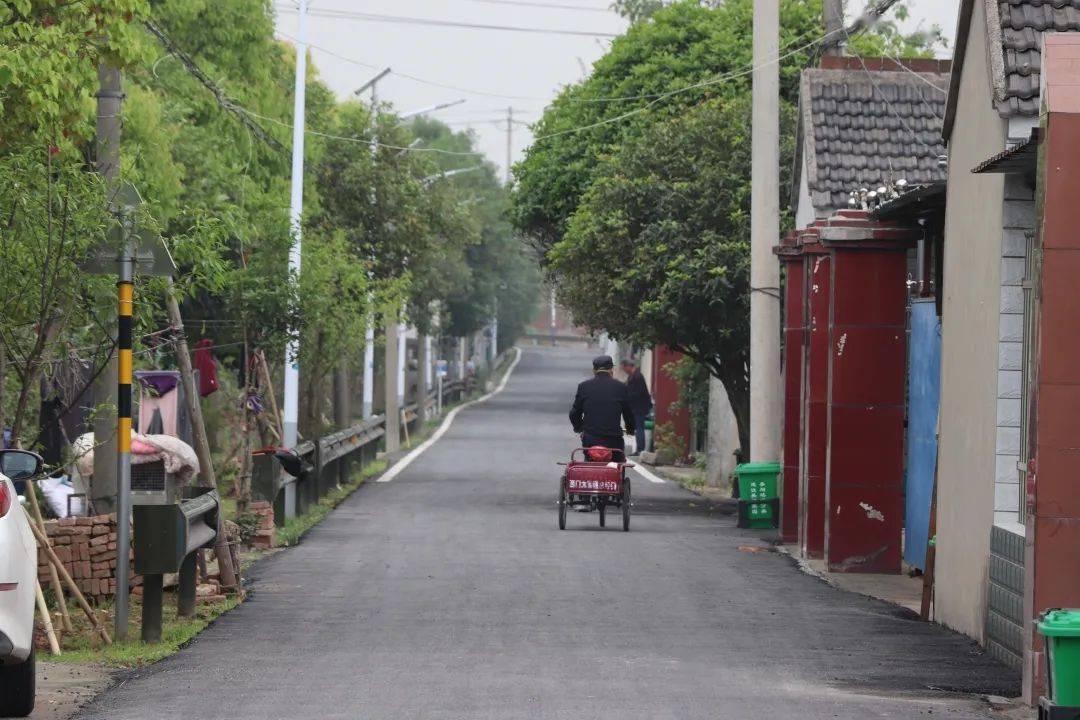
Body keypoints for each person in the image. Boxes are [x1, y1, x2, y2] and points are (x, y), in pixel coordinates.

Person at [569, 355, 635, 458]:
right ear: (611, 369)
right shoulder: (620, 387)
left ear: (594, 370)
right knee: (617, 465)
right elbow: (628, 413)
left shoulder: (584, 386)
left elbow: (574, 413)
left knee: (590, 463)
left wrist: (579, 428)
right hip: (613, 440)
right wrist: (630, 429)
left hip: (590, 440)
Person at [620, 358, 652, 456]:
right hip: (636, 406)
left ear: (629, 366)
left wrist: (627, 396)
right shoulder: (632, 376)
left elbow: (638, 393)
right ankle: (639, 448)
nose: (624, 371)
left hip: (639, 407)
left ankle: (640, 449)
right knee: (637, 428)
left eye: (624, 369)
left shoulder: (637, 377)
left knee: (639, 428)